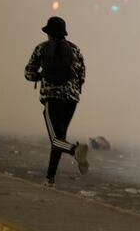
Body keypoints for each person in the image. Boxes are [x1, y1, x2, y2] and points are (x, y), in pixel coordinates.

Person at [25, 16, 88, 187]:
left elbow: (28, 74)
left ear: (49, 33)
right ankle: (49, 178)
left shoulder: (41, 48)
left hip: (52, 98)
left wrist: (43, 76)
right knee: (60, 137)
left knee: (55, 139)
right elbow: (82, 76)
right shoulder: (76, 50)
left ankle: (75, 150)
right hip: (72, 99)